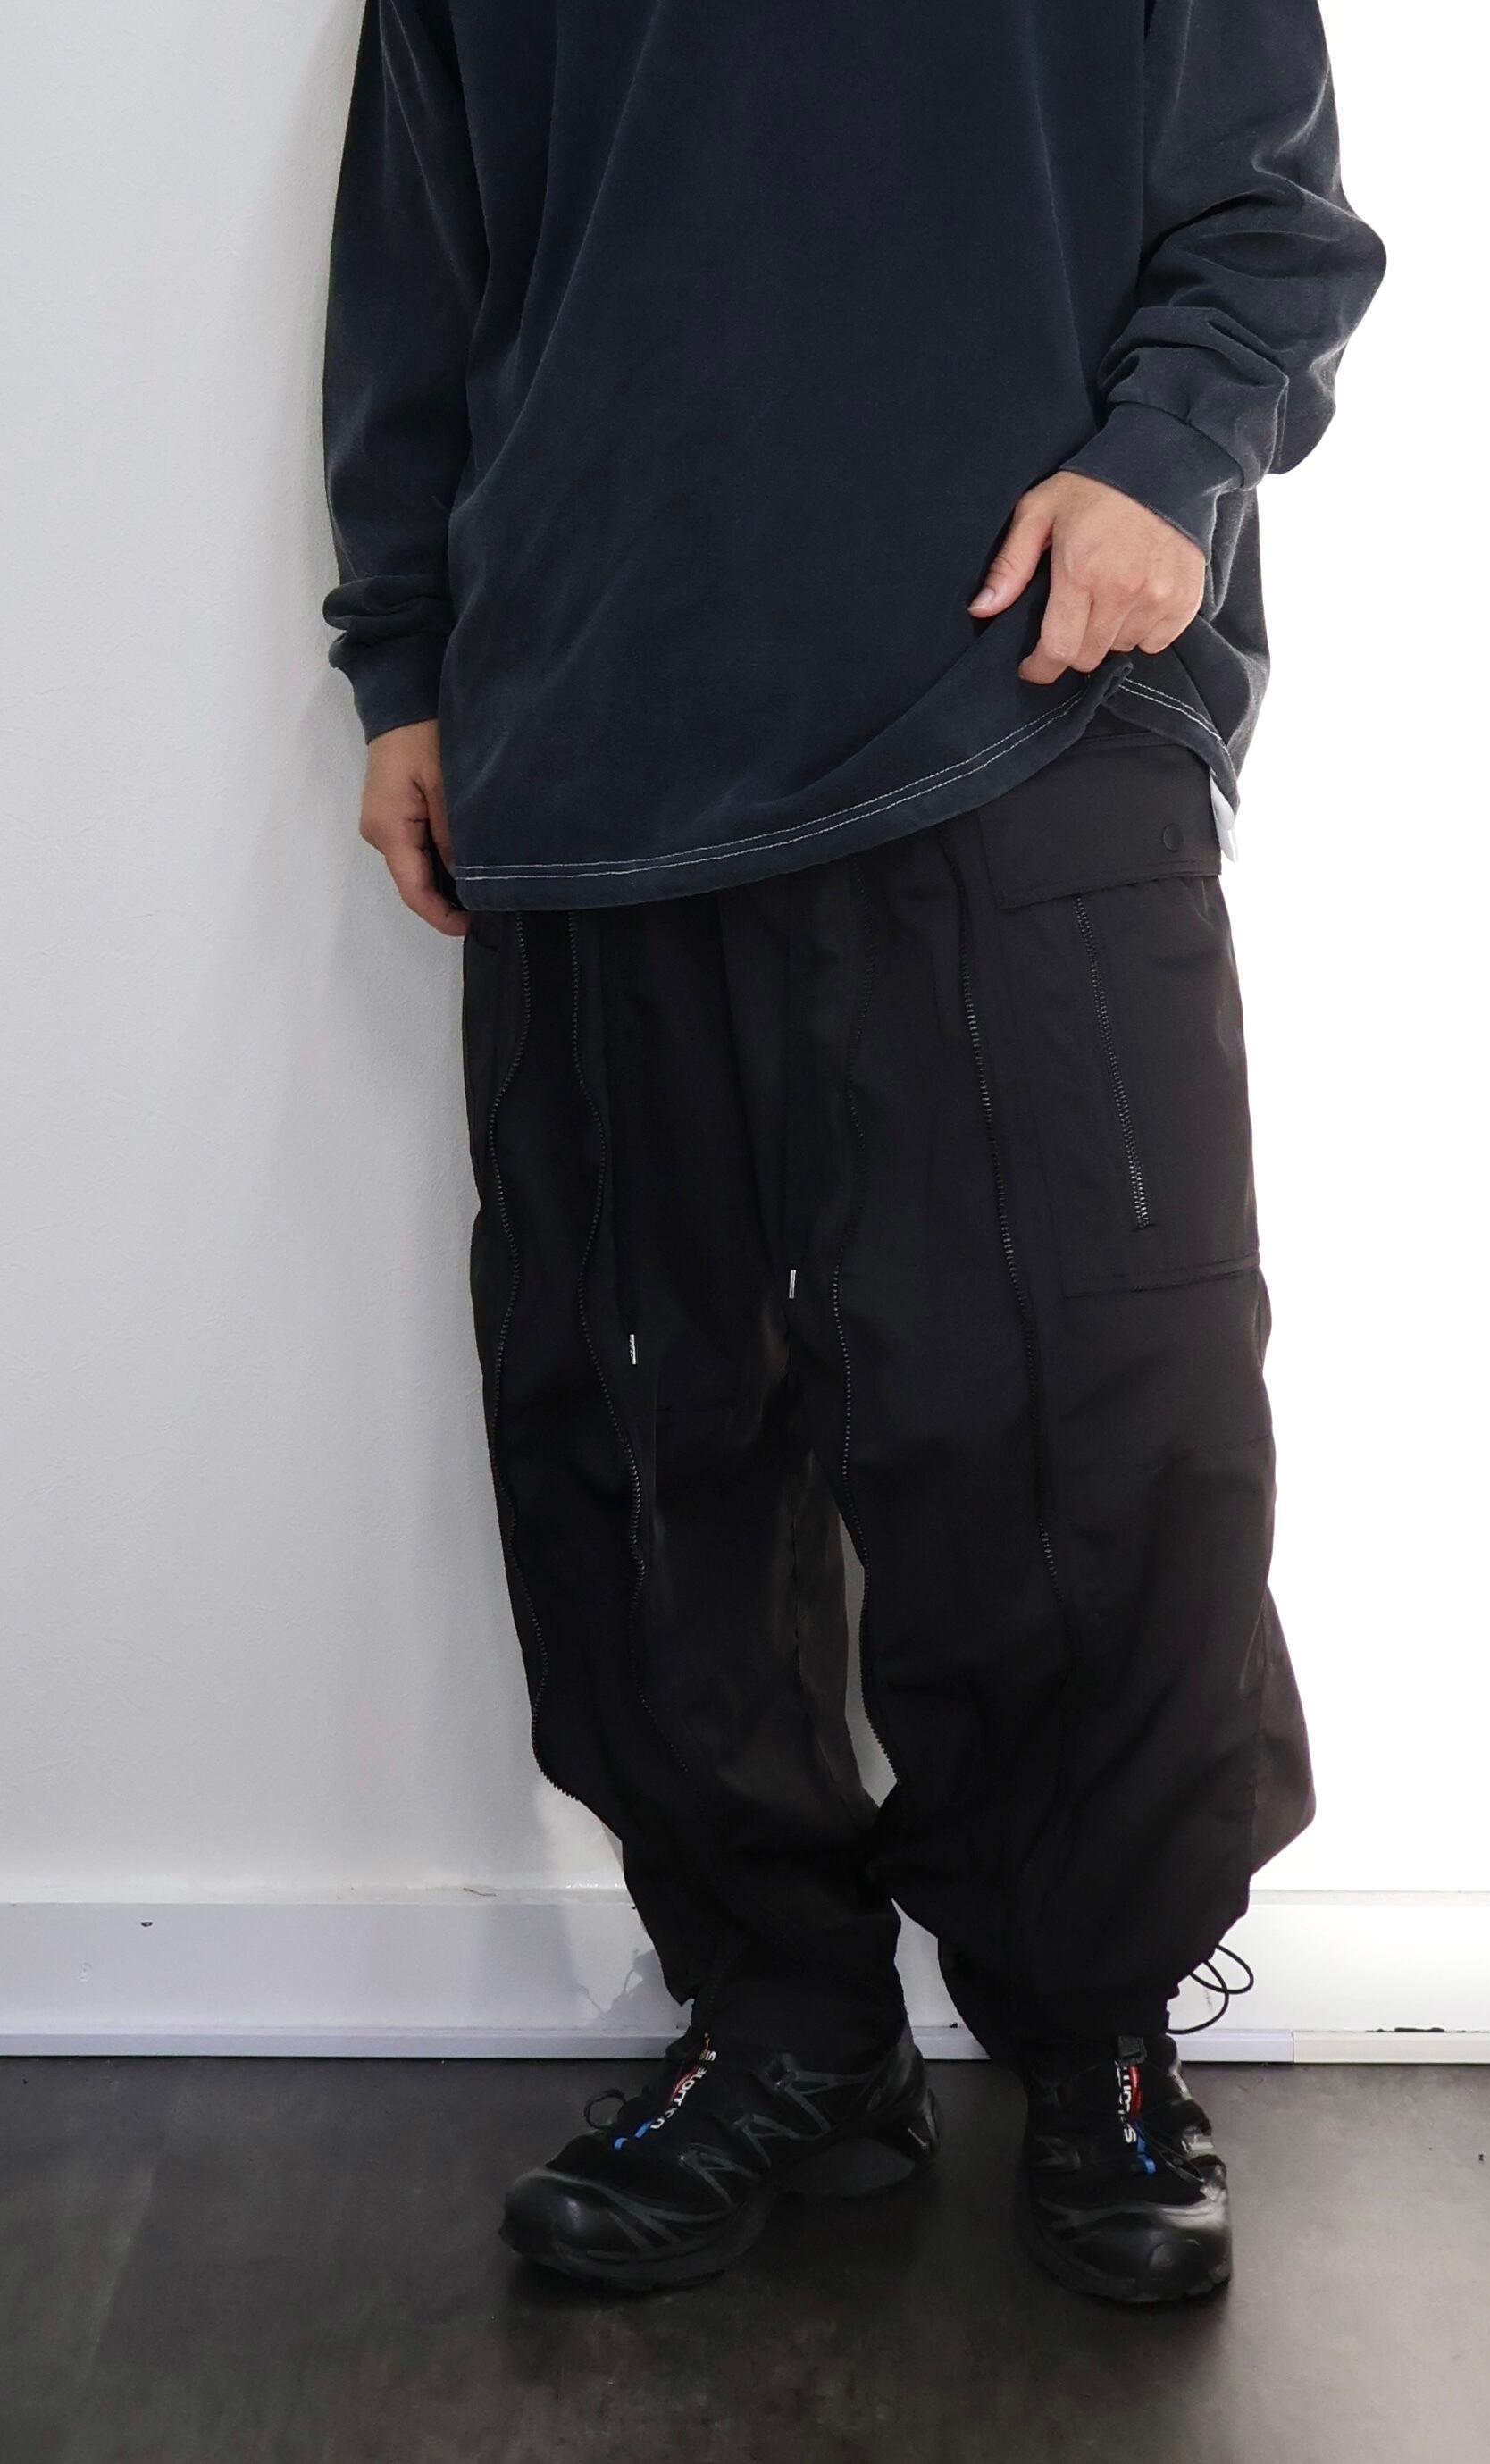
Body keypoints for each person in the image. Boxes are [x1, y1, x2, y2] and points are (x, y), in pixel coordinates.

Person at [321, 0, 1383, 2304]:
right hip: (587, 709)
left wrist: (1169, 454)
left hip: (1021, 694)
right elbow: (421, 259)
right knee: (638, 1432)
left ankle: (1097, 2028)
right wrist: (403, 655)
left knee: (1084, 1415)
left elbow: (1271, 214)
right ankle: (784, 2024)